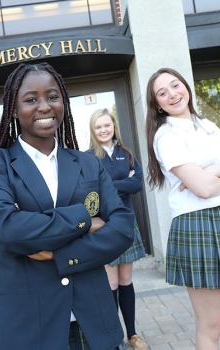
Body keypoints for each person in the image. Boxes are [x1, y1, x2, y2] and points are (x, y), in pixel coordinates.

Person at [0, 62, 134, 350]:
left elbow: (122, 227)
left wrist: (64, 256)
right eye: (31, 99)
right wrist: (85, 217)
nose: (44, 106)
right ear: (12, 108)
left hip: (94, 321)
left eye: (52, 96)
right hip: (30, 325)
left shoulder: (88, 162)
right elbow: (9, 228)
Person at [145, 67, 220, 350]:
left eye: (175, 85)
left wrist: (212, 171)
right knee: (212, 325)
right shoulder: (166, 136)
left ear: (186, 86)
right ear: (157, 104)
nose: (172, 94)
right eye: (163, 92)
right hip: (197, 225)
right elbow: (204, 189)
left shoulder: (206, 125)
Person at [88, 108, 148, 350]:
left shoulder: (126, 153)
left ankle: (132, 334)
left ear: (114, 126)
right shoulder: (89, 157)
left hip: (126, 222)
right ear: (93, 130)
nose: (104, 130)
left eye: (107, 125)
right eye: (98, 126)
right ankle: (113, 337)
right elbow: (92, 192)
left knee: (126, 280)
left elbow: (137, 183)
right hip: (104, 226)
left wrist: (110, 186)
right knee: (110, 283)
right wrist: (121, 184)